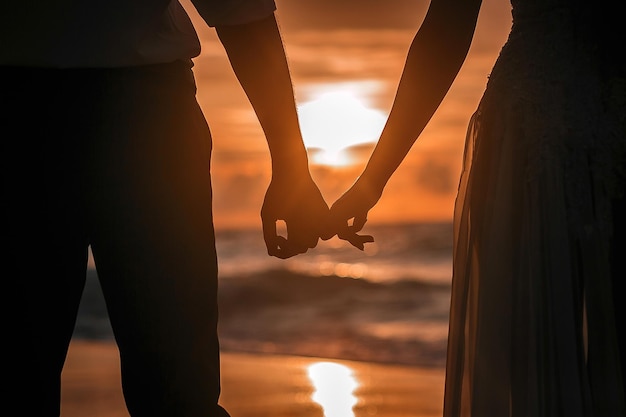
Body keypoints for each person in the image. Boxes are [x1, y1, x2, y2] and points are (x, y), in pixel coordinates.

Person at [1, 1, 331, 416]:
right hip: (140, 115)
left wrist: (291, 165)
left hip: (90, 118)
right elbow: (241, 13)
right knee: (177, 390)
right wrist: (290, 164)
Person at [329, 0, 626, 415]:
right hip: (535, 136)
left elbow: (447, 25)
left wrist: (373, 180)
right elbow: (447, 27)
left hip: (532, 126)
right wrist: (372, 179)